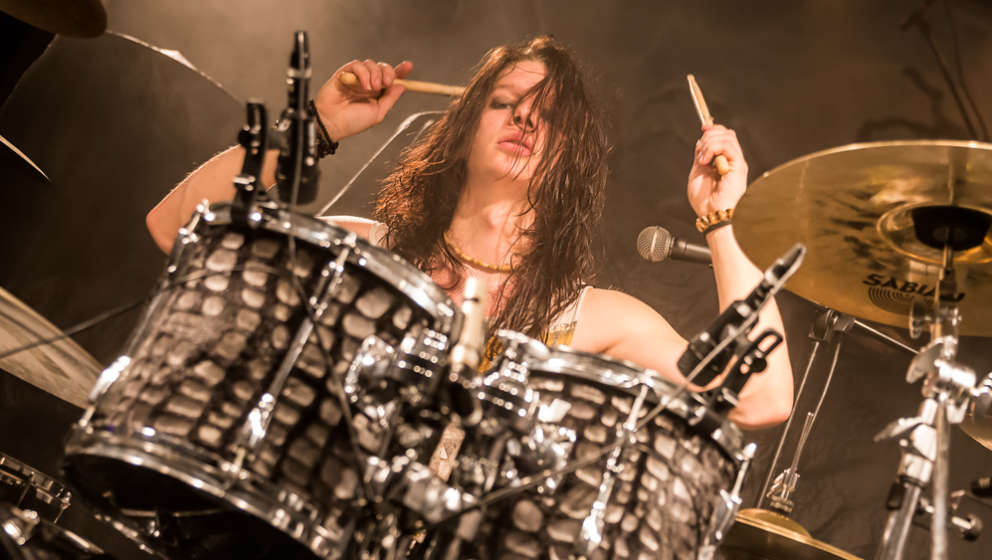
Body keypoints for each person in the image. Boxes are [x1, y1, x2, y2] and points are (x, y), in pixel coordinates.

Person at [146, 36, 793, 429]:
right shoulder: (362, 253)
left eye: (549, 115)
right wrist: (315, 127)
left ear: (569, 161)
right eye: (504, 102)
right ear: (460, 133)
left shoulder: (594, 320)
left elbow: (760, 400)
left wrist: (723, 220)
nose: (525, 119)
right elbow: (179, 229)